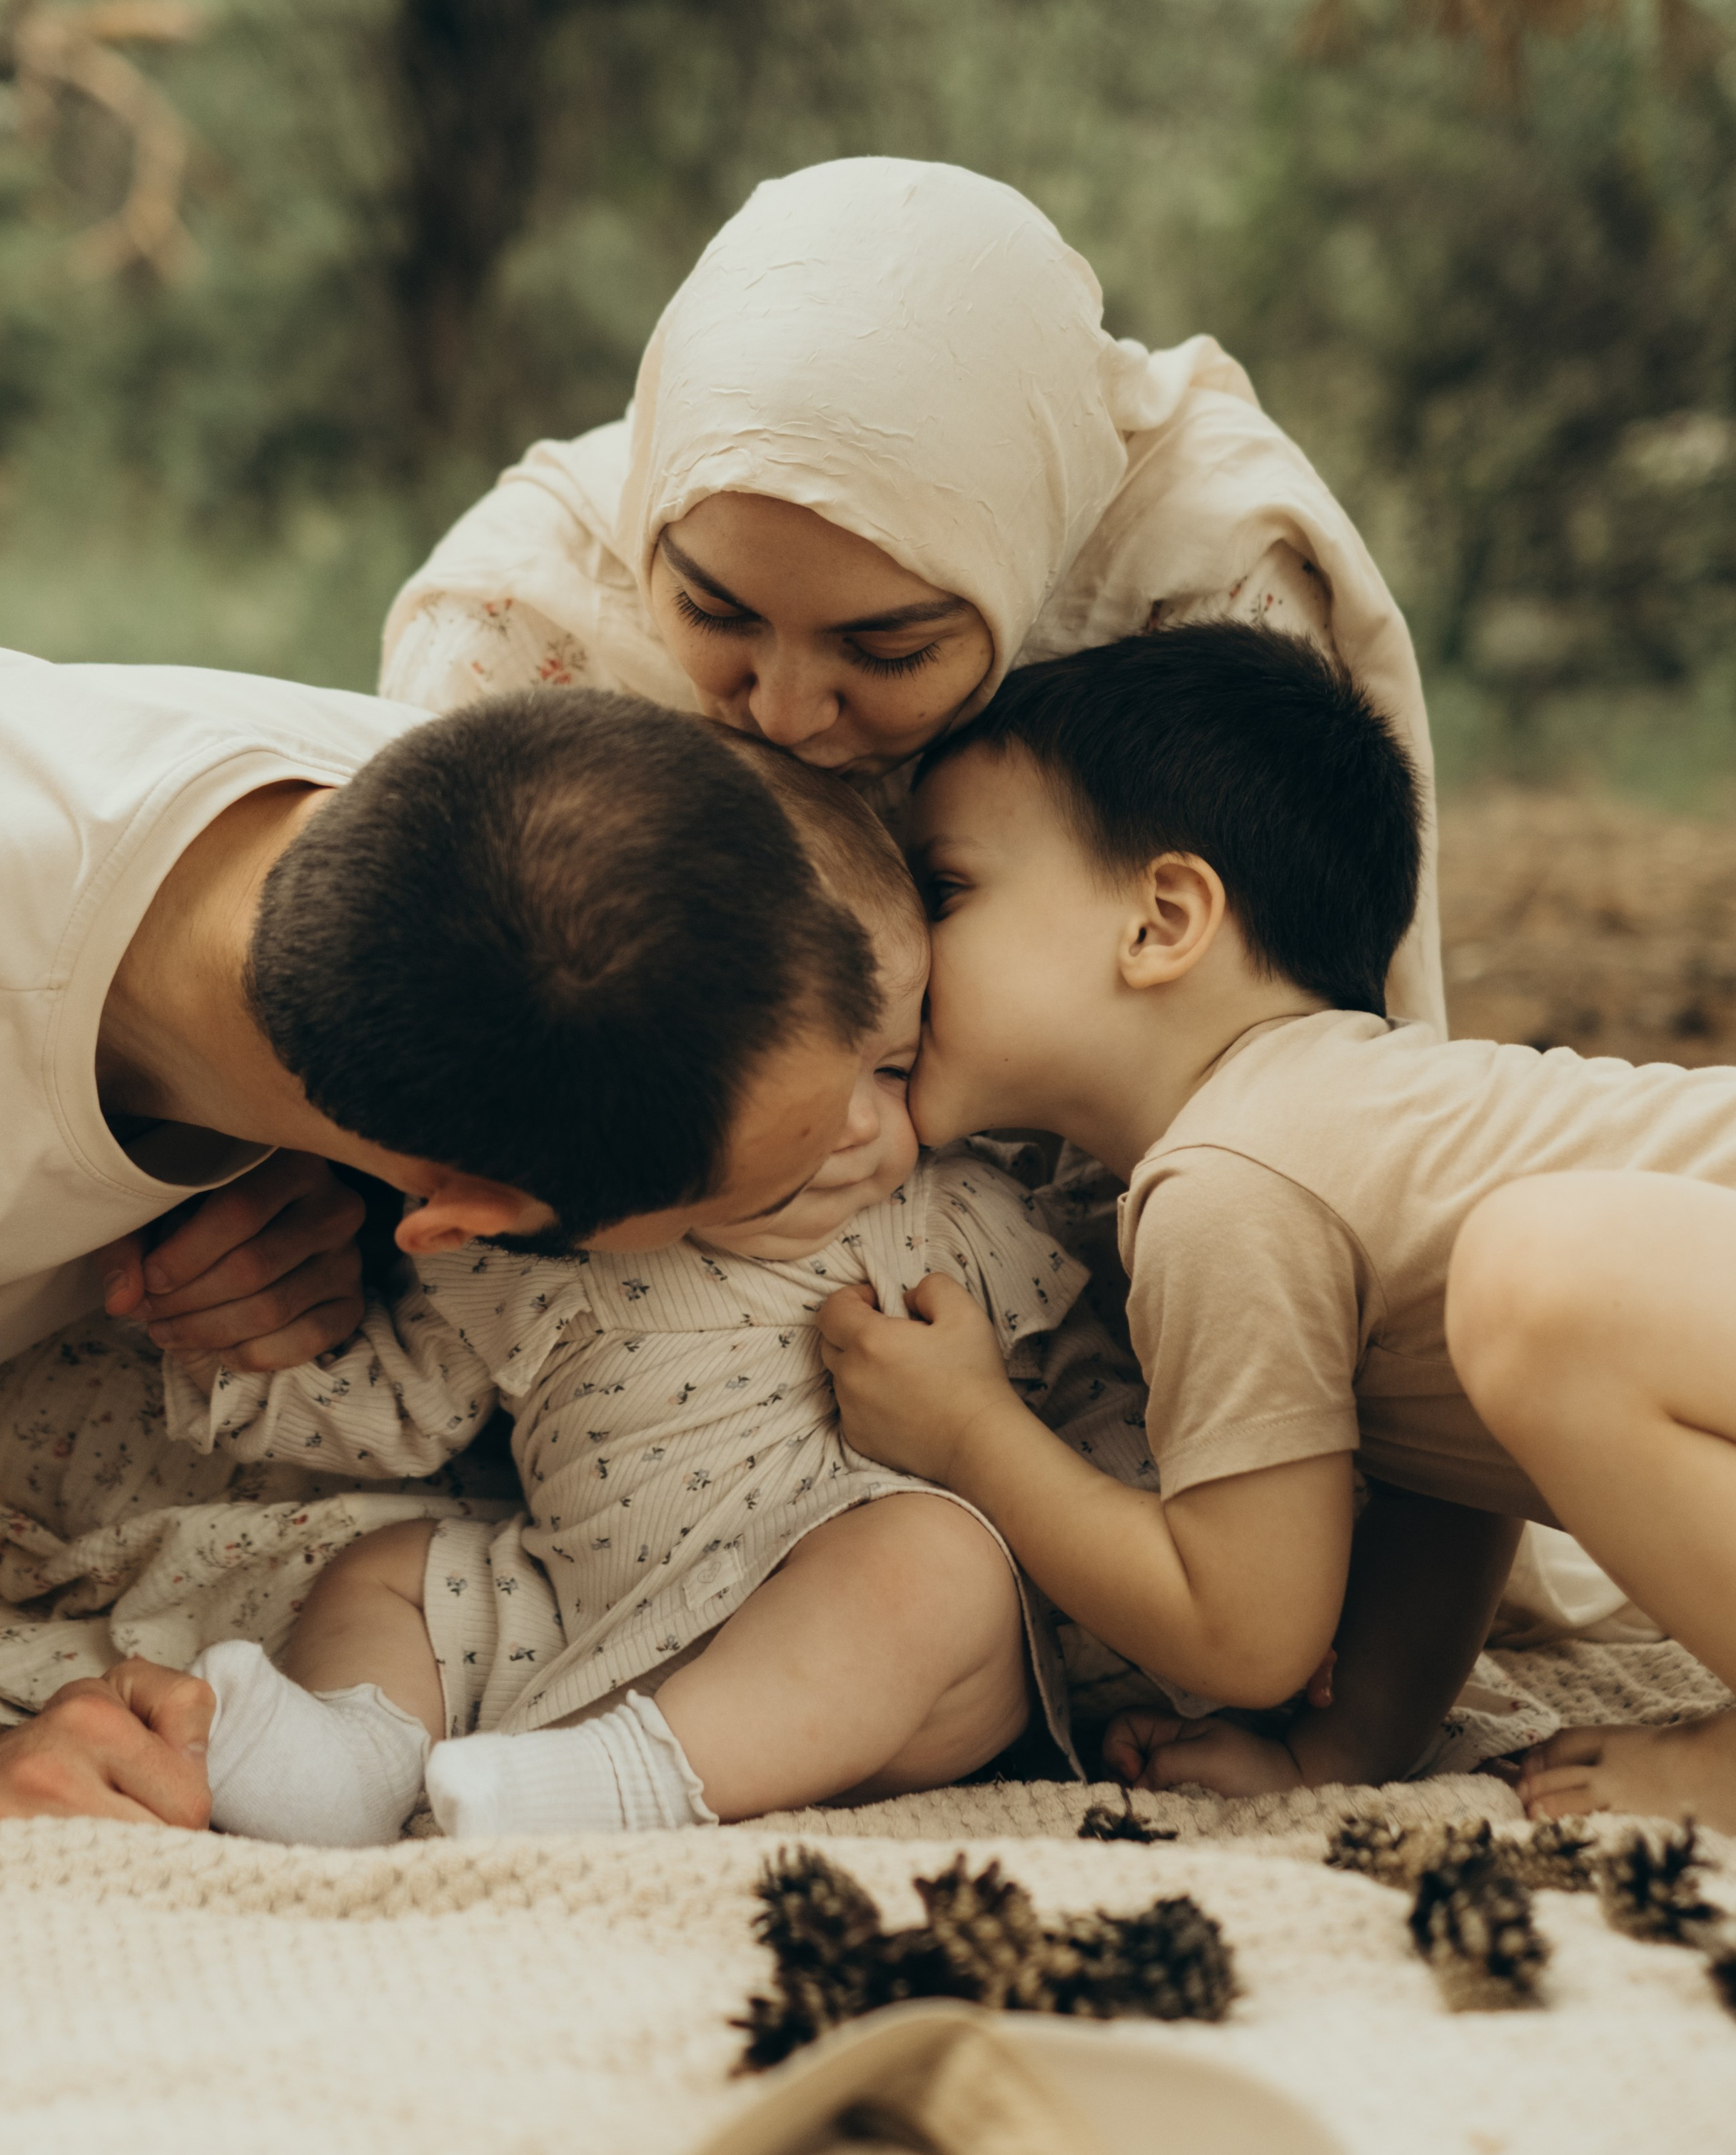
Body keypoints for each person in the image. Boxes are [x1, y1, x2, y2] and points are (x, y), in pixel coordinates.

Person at [0, 644, 875, 1822]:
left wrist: (340, 1194)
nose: (877, 1144)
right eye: (770, 1203)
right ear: (466, 1223)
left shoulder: (501, 830)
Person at [160, 752, 1179, 1843]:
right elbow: (404, 1401)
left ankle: (628, 1783)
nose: (851, 1125)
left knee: (939, 1567)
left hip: (869, 1675)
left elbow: (1099, 1402)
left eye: (891, 1066)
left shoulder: (958, 1216)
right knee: (387, 1571)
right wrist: (225, 1350)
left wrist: (1157, 1624)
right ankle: (355, 1762)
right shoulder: (541, 1248)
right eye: (794, 1080)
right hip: (575, 1622)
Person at [820, 624, 1736, 1813]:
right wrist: (1341, 1748)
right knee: (1513, 1300)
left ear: (1162, 920)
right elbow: (1455, 1470)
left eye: (943, 890)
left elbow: (1246, 1628)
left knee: (1538, 1280)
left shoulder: (1231, 1176)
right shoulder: (1351, 1146)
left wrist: (968, 1431)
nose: (894, 950)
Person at [383, 155, 1445, 1031]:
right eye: (713, 613)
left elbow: (1259, 1073)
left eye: (887, 651)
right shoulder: (515, 623)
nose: (785, 713)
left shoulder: (1200, 596)